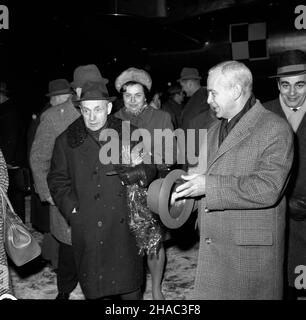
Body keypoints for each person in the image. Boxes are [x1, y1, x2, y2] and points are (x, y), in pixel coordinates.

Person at [172, 60, 294, 299]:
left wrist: (207, 185)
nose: (208, 101)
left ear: (236, 91)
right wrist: (179, 198)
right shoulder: (213, 129)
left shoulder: (275, 128)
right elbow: (201, 180)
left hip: (249, 257)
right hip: (213, 250)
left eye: (213, 93)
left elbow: (268, 188)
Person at [47, 81, 156, 300]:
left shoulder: (128, 133)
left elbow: (151, 167)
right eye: (86, 111)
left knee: (130, 291)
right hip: (88, 227)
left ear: (108, 108)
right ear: (80, 110)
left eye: (97, 109)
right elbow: (57, 180)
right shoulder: (66, 140)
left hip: (124, 225)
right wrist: (73, 210)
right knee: (98, 291)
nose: (92, 117)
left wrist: (139, 173)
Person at [114, 67, 176, 300]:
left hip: (152, 189)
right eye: (127, 95)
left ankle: (157, 289)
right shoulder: (114, 120)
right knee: (127, 244)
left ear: (146, 96)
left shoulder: (161, 118)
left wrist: (149, 164)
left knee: (154, 243)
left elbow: (170, 157)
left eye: (137, 95)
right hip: (122, 191)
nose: (132, 100)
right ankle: (132, 290)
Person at [30, 78, 80, 299]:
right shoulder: (51, 117)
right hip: (63, 193)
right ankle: (65, 290)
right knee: (68, 248)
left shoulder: (99, 112)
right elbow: (38, 157)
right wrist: (47, 192)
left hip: (93, 195)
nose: (53, 102)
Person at [264, 49, 306, 300]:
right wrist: (280, 202)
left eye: (300, 84)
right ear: (278, 85)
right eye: (285, 85)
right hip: (273, 220)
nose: (292, 93)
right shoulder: (261, 115)